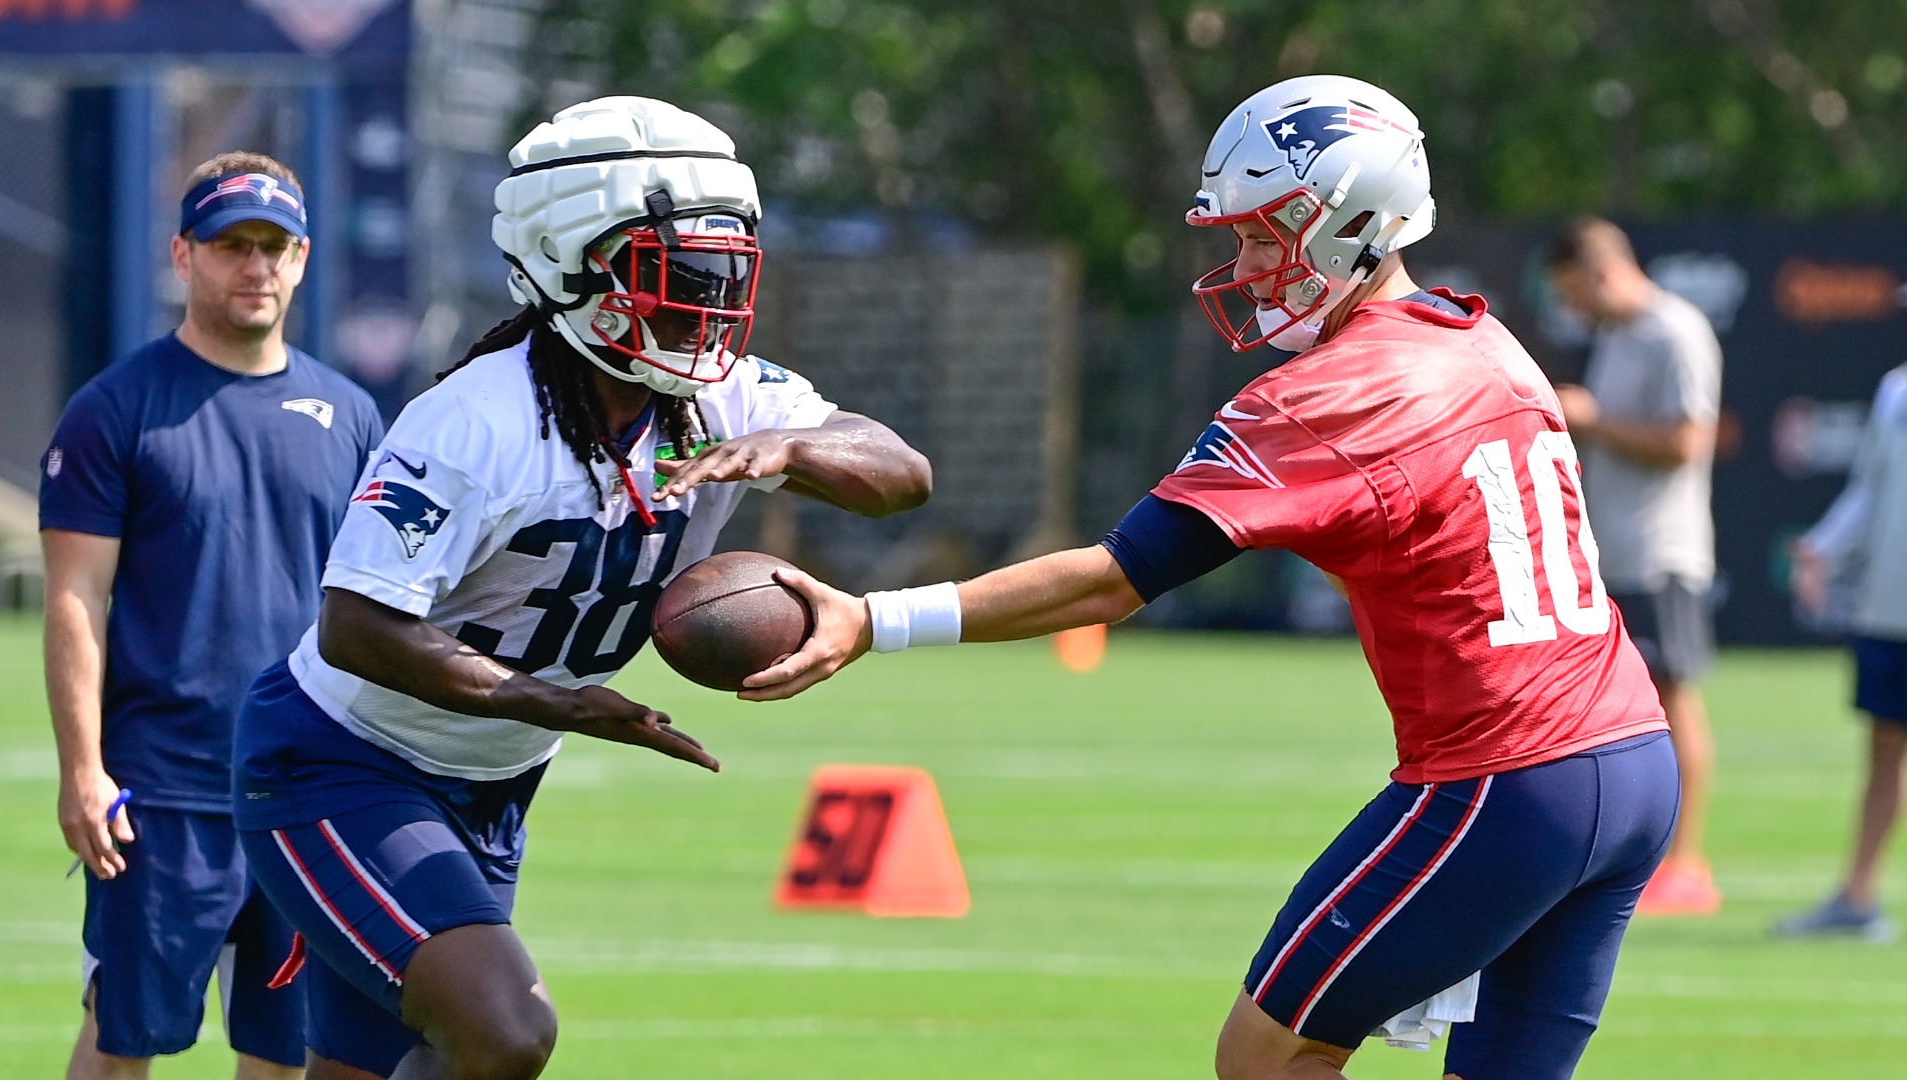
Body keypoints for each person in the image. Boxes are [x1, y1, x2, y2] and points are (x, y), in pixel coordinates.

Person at [748, 75, 1679, 1080]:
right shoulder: (1481, 336)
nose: (1243, 264)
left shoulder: (1338, 387)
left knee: (1269, 1055)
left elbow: (1114, 580)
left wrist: (875, 619)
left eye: (1265, 234)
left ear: (1353, 222)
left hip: (1509, 777)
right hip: (1631, 759)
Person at [228, 96, 931, 1080]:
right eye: (677, 273)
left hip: (490, 780)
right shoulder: (474, 422)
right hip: (341, 763)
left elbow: (902, 472)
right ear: (570, 266)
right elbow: (356, 627)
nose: (708, 300)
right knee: (506, 1033)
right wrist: (550, 702)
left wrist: (799, 444)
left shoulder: (719, 396)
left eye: (723, 272)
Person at [40, 153, 383, 1079]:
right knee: (123, 1041)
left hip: (307, 787)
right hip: (161, 793)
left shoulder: (352, 416)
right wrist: (83, 770)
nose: (256, 266)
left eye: (274, 246)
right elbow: (76, 597)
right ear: (183, 253)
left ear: (303, 258)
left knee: (288, 1059)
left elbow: (378, 605)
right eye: (233, 244)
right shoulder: (115, 409)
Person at [1544, 217, 1725, 916]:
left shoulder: (1676, 331)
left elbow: (1687, 441)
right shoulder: (1617, 334)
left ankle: (1686, 863)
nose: (1572, 309)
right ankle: (1636, 856)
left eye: (1573, 292)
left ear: (1601, 269)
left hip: (1663, 551)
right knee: (1619, 712)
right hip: (1613, 550)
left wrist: (1592, 418)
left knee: (1674, 700)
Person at [1775, 363, 1907, 942]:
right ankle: (1857, 896)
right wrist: (1823, 548)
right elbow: (1872, 487)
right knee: (1884, 748)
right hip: (1888, 608)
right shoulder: (1895, 388)